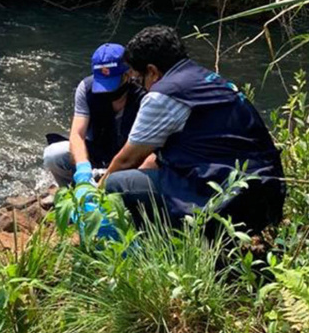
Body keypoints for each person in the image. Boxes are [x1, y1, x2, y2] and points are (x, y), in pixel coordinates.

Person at [100, 25, 285, 234]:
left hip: (229, 203)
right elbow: (157, 156)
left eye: (138, 79)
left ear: (152, 71)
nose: (139, 86)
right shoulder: (205, 79)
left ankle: (158, 245)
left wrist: (94, 196)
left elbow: (126, 160)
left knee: (116, 183)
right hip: (267, 193)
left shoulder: (164, 94)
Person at [43, 43, 146, 186]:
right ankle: (74, 191)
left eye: (113, 83)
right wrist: (82, 168)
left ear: (128, 74)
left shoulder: (145, 94)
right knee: (53, 155)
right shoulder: (86, 89)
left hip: (131, 159)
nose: (107, 91)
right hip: (99, 152)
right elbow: (77, 134)